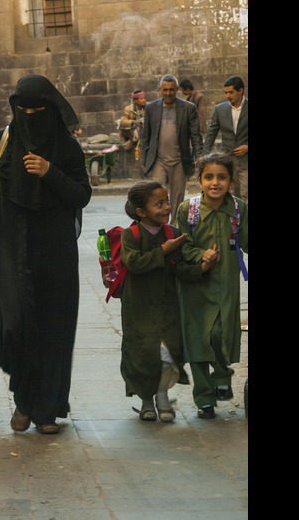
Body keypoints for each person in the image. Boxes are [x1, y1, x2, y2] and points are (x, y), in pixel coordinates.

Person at [0, 74, 92, 435]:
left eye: (37, 109)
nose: (29, 115)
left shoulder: (66, 147)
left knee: (53, 326)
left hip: (55, 251)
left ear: (50, 109)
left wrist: (49, 172)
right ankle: (23, 399)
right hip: (12, 249)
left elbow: (81, 195)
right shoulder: (1, 141)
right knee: (17, 323)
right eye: (22, 109)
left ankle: (48, 410)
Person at [119, 181, 213, 423]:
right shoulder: (130, 235)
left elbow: (179, 268)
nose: (167, 208)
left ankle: (162, 395)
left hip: (167, 306)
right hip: (138, 307)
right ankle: (147, 401)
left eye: (167, 201)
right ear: (141, 211)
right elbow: (135, 263)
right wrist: (164, 250)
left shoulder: (171, 233)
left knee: (167, 353)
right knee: (143, 355)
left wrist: (201, 268)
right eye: (158, 204)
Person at [176, 153, 248, 420]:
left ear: (230, 181)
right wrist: (200, 256)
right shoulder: (188, 210)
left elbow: (247, 241)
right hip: (195, 285)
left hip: (227, 286)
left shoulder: (239, 209)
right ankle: (204, 398)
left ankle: (221, 378)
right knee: (197, 341)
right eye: (209, 177)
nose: (215, 183)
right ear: (200, 180)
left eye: (222, 177)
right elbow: (181, 245)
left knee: (219, 335)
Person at [140, 75, 203, 225]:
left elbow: (196, 135)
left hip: (180, 160)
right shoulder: (151, 108)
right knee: (157, 194)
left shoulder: (188, 108)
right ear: (160, 90)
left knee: (177, 196)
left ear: (177, 90)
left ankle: (174, 227)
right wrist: (144, 159)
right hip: (158, 160)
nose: (168, 93)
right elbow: (145, 136)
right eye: (165, 90)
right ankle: (158, 225)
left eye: (172, 90)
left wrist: (199, 156)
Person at [202, 75, 248, 202]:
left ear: (241, 91)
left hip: (246, 160)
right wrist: (204, 155)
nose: (228, 96)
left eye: (231, 92)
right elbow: (211, 133)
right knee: (228, 196)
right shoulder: (219, 109)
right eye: (226, 92)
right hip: (227, 159)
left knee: (246, 195)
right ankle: (231, 221)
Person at [117, 90, 146, 161]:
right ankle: (132, 140)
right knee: (119, 123)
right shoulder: (128, 109)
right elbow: (123, 121)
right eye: (141, 99)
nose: (144, 100)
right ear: (135, 100)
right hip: (134, 129)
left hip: (145, 129)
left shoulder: (148, 106)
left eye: (144, 98)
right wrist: (133, 122)